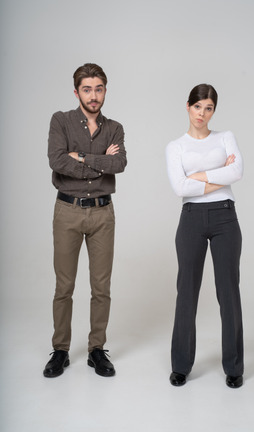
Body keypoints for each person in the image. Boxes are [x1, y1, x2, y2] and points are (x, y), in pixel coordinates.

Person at [44, 63, 127, 378]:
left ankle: (96, 349)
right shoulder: (61, 121)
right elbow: (57, 160)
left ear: (105, 90)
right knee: (64, 286)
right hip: (67, 211)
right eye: (87, 89)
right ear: (77, 91)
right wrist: (99, 161)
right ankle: (61, 350)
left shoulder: (114, 127)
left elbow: (119, 163)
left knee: (101, 287)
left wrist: (81, 157)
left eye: (99, 88)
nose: (94, 95)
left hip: (103, 214)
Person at [166, 84, 244, 388]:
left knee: (229, 292)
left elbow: (237, 172)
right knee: (186, 292)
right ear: (188, 107)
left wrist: (197, 177)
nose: (202, 113)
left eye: (208, 108)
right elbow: (180, 189)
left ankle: (234, 367)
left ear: (214, 110)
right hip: (191, 219)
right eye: (198, 106)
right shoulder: (176, 146)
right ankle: (181, 365)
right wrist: (217, 176)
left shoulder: (226, 137)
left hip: (226, 215)